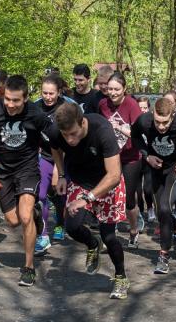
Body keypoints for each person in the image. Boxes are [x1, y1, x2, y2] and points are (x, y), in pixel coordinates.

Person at [49, 104, 130, 299]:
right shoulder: (56, 131)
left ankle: (121, 277)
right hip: (80, 180)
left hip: (107, 183)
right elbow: (55, 149)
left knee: (109, 236)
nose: (70, 140)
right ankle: (93, 244)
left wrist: (87, 199)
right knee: (71, 226)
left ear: (82, 122)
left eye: (74, 134)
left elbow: (114, 175)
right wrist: (61, 175)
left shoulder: (102, 130)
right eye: (65, 135)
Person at [0, 75, 51, 287]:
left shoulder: (36, 114)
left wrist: (60, 171)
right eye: (8, 99)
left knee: (24, 216)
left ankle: (28, 267)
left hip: (27, 169)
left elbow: (55, 140)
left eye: (16, 100)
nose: (10, 104)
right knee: (13, 221)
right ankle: (37, 215)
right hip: (3, 172)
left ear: (26, 98)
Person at [132, 98, 176, 271]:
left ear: (173, 115)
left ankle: (163, 255)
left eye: (165, 123)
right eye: (158, 121)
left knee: (165, 208)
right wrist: (146, 155)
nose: (161, 127)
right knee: (160, 212)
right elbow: (134, 136)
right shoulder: (144, 120)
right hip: (155, 169)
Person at [98, 72, 143, 247]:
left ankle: (133, 230)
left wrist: (119, 127)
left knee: (129, 199)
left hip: (131, 157)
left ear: (124, 89)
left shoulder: (131, 105)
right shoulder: (103, 104)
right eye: (110, 89)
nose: (113, 93)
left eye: (117, 89)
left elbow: (139, 133)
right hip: (110, 157)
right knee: (107, 194)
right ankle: (108, 232)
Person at [32, 74, 71, 255]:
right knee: (39, 195)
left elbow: (71, 138)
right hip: (45, 155)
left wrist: (59, 169)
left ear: (59, 92)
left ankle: (61, 224)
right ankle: (43, 235)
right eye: (44, 93)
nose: (48, 97)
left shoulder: (67, 108)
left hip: (65, 156)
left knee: (59, 194)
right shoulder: (35, 107)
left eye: (51, 94)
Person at [136, 96, 155, 223]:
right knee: (137, 190)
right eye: (140, 107)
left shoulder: (153, 122)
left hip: (148, 159)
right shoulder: (134, 122)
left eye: (144, 107)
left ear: (149, 108)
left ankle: (150, 208)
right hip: (136, 159)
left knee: (147, 188)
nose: (142, 110)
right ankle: (141, 212)